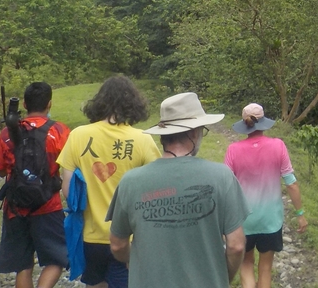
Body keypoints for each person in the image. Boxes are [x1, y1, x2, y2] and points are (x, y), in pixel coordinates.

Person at [107, 92, 250, 288]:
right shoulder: (222, 176)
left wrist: (135, 261)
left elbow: (117, 244)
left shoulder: (130, 181)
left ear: (163, 135)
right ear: (193, 133)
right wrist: (223, 277)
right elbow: (236, 245)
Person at [57, 76, 160, 288]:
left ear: (99, 102)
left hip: (90, 236)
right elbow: (157, 189)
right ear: (133, 103)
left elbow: (67, 190)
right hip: (130, 238)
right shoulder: (142, 139)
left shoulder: (78, 136)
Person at [0, 82, 70, 288]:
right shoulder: (60, 131)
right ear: (49, 103)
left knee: (23, 265)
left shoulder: (7, 132)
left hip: (15, 207)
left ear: (25, 104)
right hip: (48, 205)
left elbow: (0, 170)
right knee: (57, 258)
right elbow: (70, 165)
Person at [224, 103, 308, 288]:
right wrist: (300, 214)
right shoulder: (278, 146)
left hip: (243, 220)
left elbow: (227, 188)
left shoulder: (233, 150)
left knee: (246, 264)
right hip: (270, 220)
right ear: (263, 122)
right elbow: (291, 183)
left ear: (244, 123)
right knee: (266, 268)